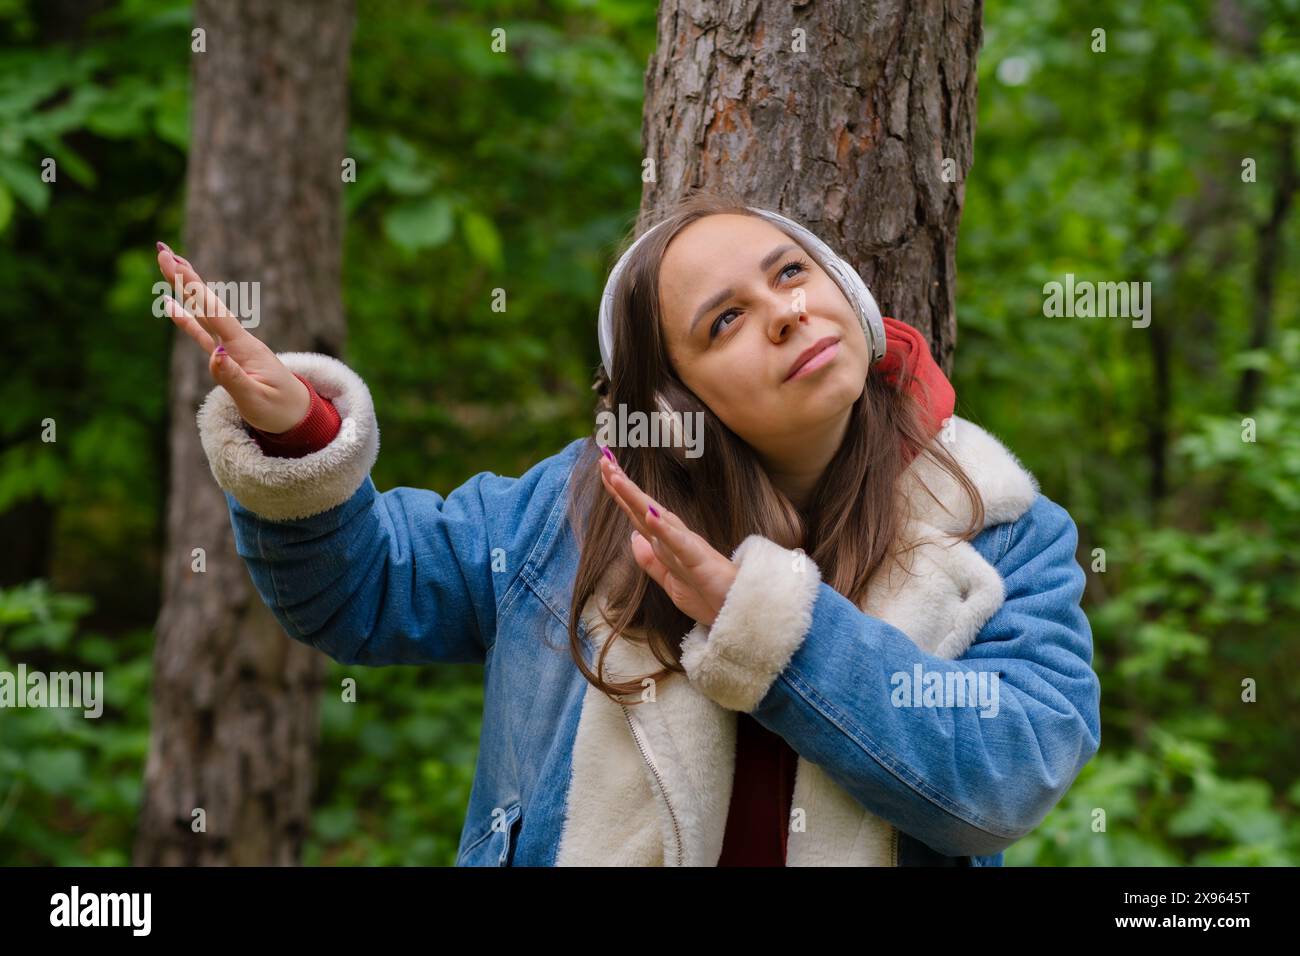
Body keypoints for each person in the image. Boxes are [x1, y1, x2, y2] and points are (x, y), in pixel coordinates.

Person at [156, 189, 1101, 867]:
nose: (784, 314)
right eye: (725, 320)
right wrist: (296, 433)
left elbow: (1016, 769)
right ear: (674, 402)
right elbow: (362, 590)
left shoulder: (998, 526)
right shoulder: (574, 512)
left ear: (847, 291)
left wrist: (769, 631)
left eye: (791, 273)